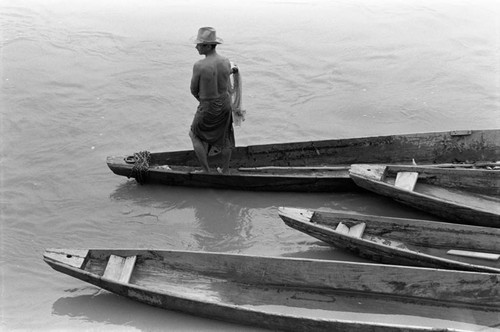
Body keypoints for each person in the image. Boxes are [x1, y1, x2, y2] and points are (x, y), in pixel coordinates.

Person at [189, 27, 235, 173]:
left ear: (208, 46)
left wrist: (203, 101)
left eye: (199, 44)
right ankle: (226, 170)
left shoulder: (199, 65)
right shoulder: (226, 62)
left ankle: (206, 170)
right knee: (226, 136)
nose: (196, 46)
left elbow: (193, 90)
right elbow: (228, 81)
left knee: (194, 134)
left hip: (208, 105)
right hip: (225, 103)